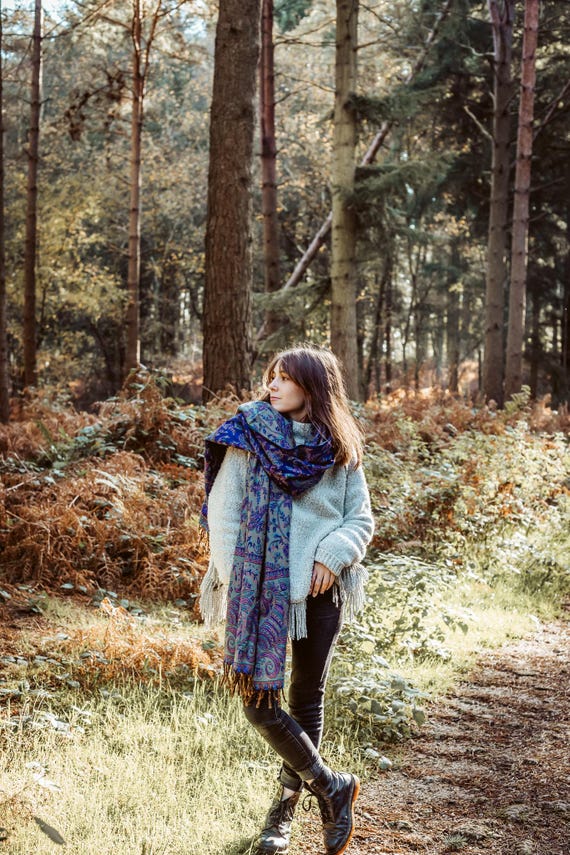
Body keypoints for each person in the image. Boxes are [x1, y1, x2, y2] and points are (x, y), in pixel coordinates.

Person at [199, 345, 374, 855]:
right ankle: (330, 784)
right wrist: (243, 581)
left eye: (283, 379)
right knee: (260, 705)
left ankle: (282, 814)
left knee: (306, 698)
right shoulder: (246, 434)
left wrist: (331, 555)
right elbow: (224, 515)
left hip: (322, 591)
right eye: (270, 377)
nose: (271, 386)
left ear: (311, 387)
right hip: (260, 591)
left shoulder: (339, 446)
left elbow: (358, 519)